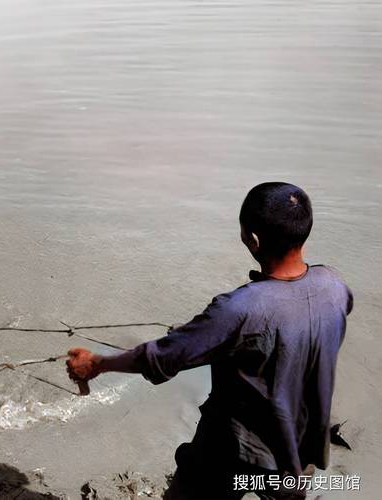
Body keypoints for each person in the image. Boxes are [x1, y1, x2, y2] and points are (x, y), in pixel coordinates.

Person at [66, 182, 352, 499]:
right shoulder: (335, 285)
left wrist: (96, 364)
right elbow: (287, 328)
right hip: (300, 444)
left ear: (252, 240)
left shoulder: (238, 309)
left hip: (233, 449)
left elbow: (160, 358)